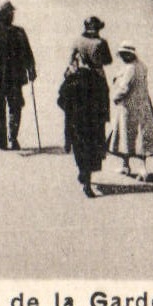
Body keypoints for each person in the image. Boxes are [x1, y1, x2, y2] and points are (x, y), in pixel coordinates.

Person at [0, 1, 36, 151]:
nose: (11, 16)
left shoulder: (18, 32)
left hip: (9, 78)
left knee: (13, 107)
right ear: (1, 15)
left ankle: (10, 138)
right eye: (9, 14)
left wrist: (31, 69)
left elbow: (28, 53)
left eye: (11, 14)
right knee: (2, 109)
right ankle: (3, 140)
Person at [106, 42, 153, 180]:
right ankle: (128, 166)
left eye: (124, 55)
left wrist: (115, 98)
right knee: (138, 136)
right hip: (142, 104)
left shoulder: (130, 69)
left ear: (129, 55)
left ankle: (138, 169)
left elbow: (124, 88)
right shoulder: (141, 66)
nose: (122, 57)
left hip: (128, 107)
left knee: (127, 136)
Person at [58, 50, 110, 197]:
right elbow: (105, 100)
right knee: (91, 151)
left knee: (79, 149)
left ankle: (83, 172)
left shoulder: (71, 79)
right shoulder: (98, 79)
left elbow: (60, 100)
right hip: (93, 122)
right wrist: (103, 118)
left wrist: (70, 108)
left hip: (75, 122)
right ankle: (87, 180)